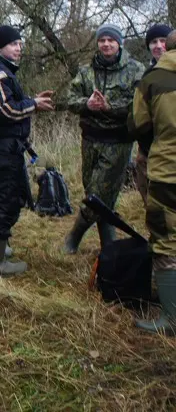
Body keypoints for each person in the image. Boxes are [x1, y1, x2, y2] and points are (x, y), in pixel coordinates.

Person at [0, 25, 54, 276]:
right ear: (0, 47)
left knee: (13, 195)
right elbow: (5, 110)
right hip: (0, 146)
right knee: (5, 198)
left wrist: (30, 100)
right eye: (13, 44)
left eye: (20, 44)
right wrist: (33, 105)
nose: (18, 49)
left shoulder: (2, 71)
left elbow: (7, 102)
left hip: (8, 145)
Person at [64, 23, 145, 254]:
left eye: (111, 40)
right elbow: (70, 99)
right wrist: (87, 104)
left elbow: (138, 104)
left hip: (117, 141)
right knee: (98, 194)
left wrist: (110, 107)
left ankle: (74, 236)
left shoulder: (135, 70)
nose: (106, 44)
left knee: (97, 196)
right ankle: (108, 247)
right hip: (90, 139)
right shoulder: (86, 71)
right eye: (102, 40)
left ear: (119, 43)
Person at [128, 28, 176, 335]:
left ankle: (171, 320)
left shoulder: (152, 80)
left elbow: (138, 125)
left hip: (168, 171)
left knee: (166, 241)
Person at [135, 23, 172, 204]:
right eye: (153, 42)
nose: (158, 46)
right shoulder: (146, 76)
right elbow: (139, 119)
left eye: (163, 41)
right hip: (150, 146)